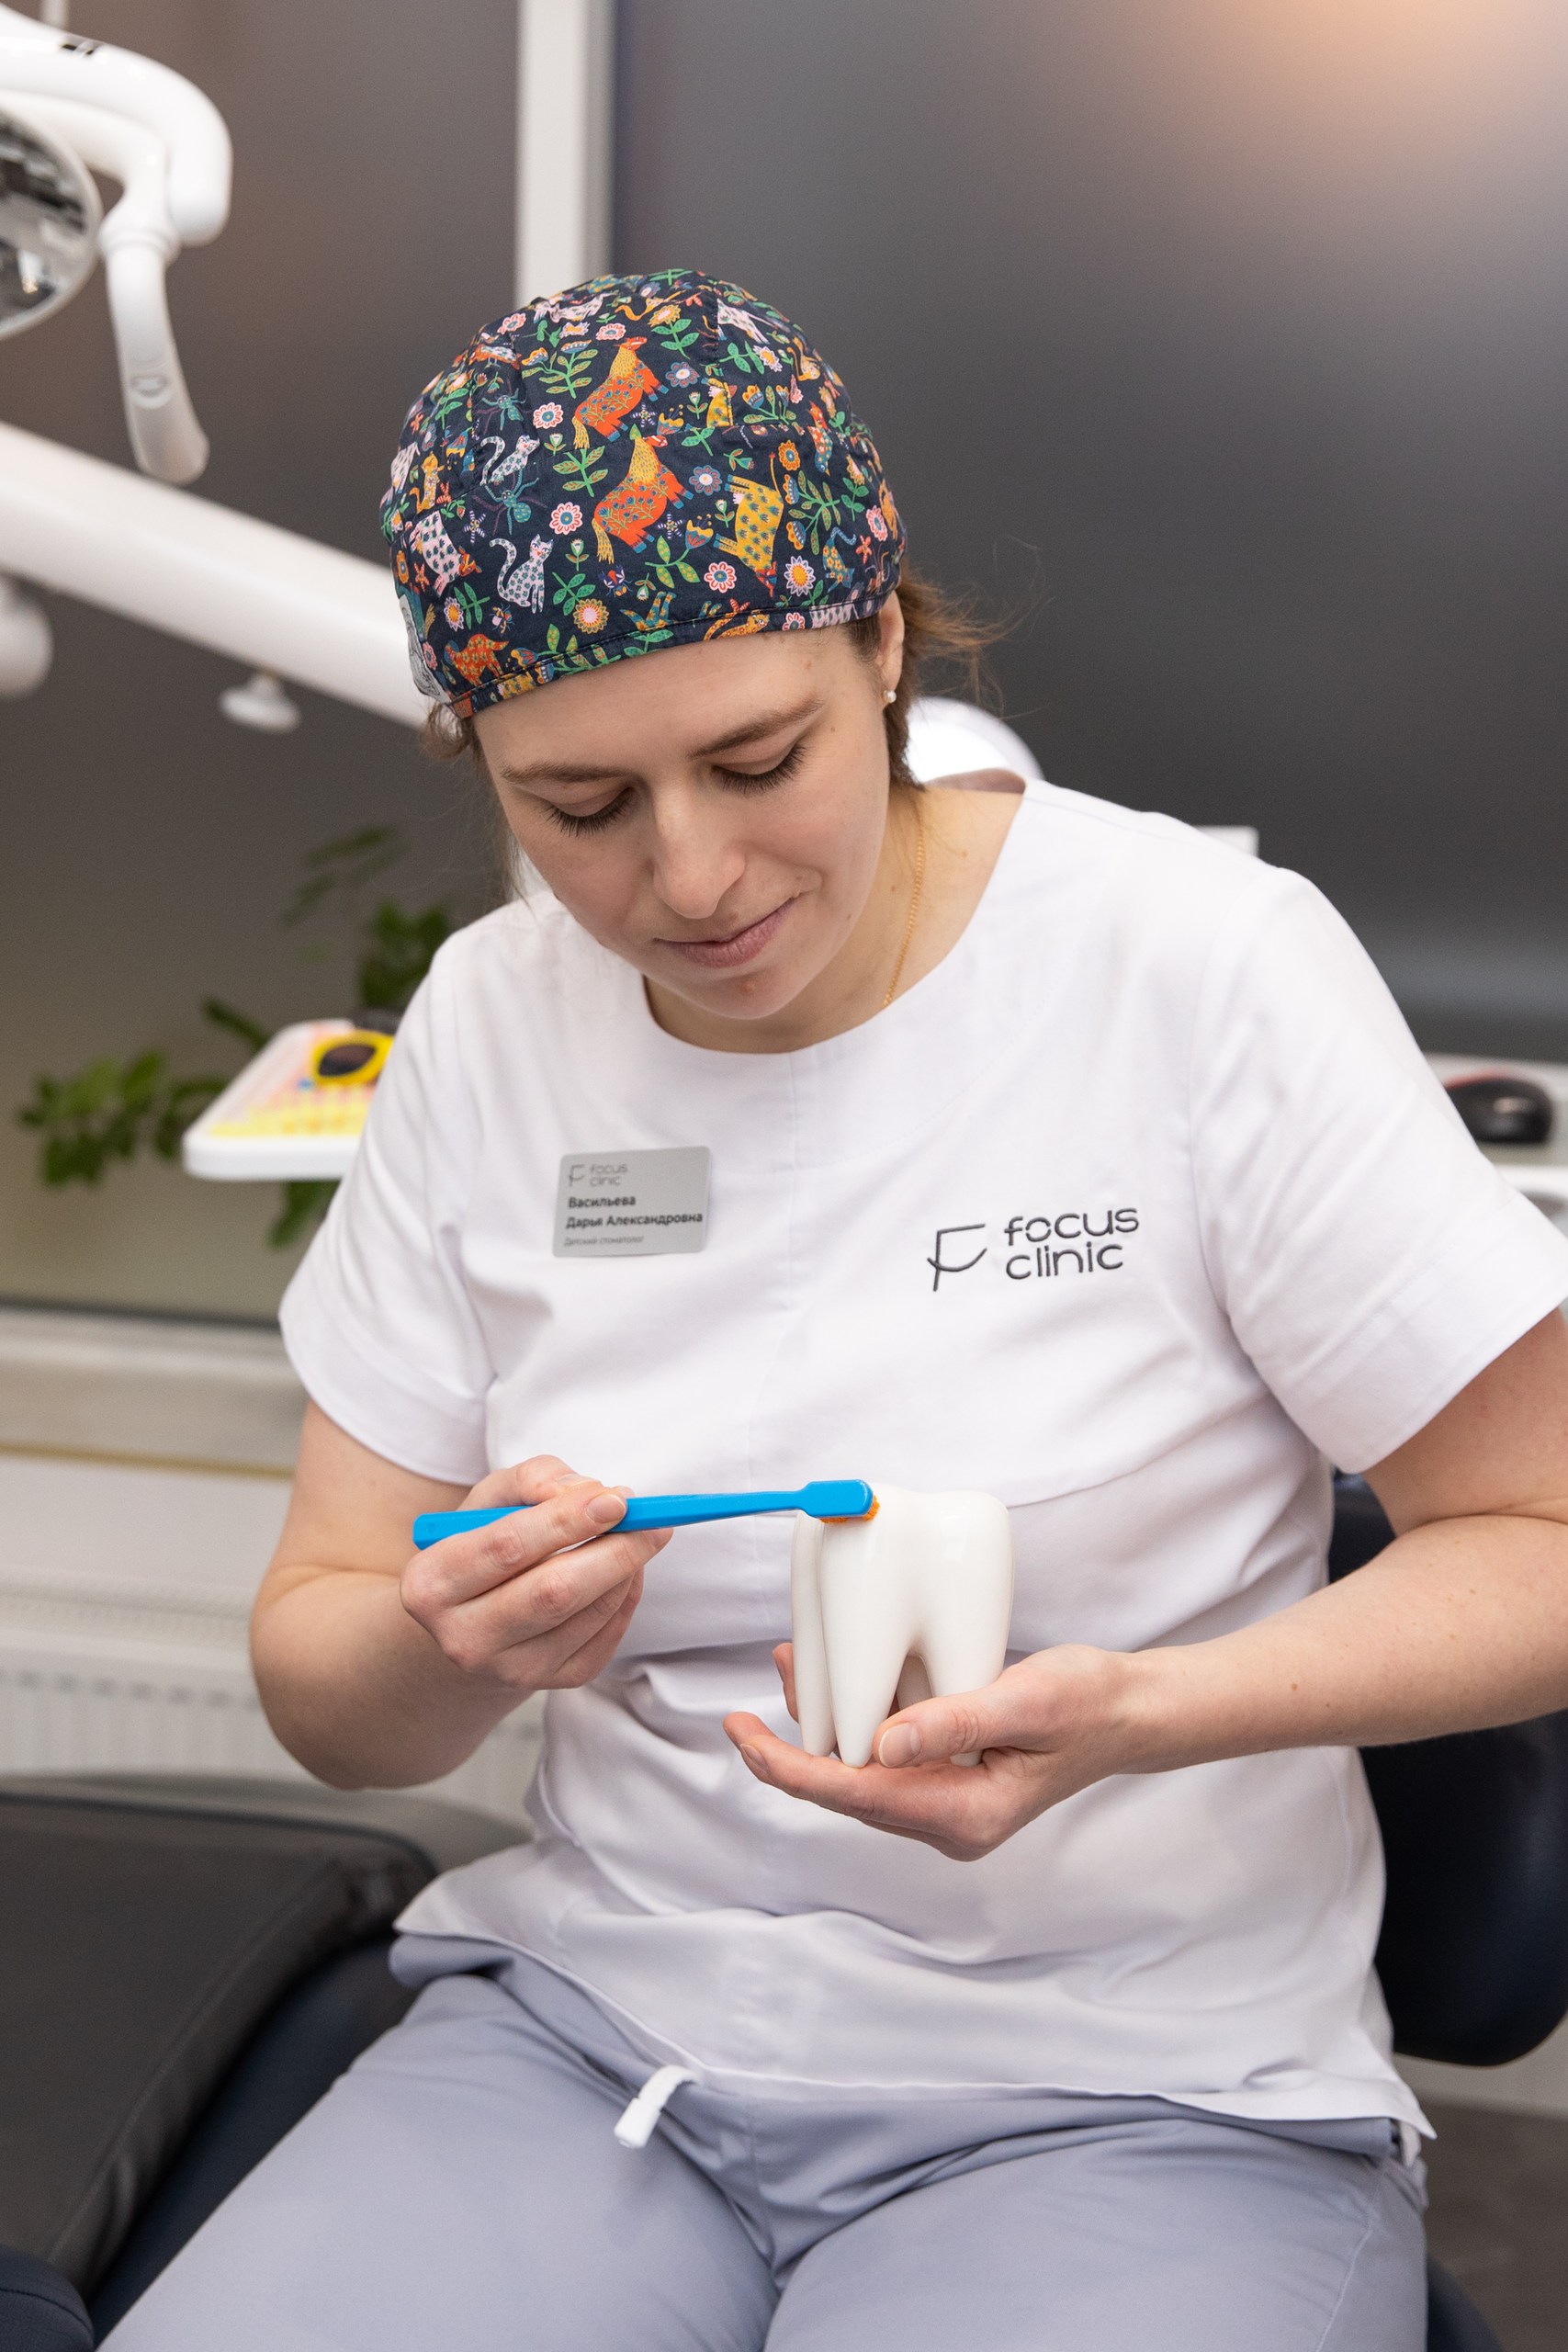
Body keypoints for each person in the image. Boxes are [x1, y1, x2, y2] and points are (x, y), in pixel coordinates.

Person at [107, 268, 1568, 2351]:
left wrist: (1145, 1712)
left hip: (1132, 2081)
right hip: (598, 2044)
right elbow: (326, 1676)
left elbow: (1541, 1535)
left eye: (756, 757)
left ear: (880, 641)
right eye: (580, 808)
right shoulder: (492, 1026)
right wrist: (447, 1642)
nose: (691, 878)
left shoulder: (1193, 970)